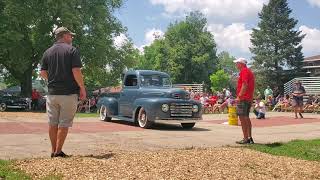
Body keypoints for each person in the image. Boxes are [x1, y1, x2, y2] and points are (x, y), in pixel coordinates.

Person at [40, 27, 86, 158]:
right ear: (64, 36)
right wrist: (82, 87)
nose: (71, 38)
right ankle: (58, 152)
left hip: (52, 94)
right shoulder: (72, 50)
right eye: (70, 36)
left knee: (52, 123)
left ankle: (53, 150)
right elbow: (76, 71)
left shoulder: (47, 52)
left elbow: (43, 73)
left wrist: (54, 78)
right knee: (64, 123)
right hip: (68, 93)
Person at [234, 57, 255, 144]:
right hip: (248, 98)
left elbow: (244, 84)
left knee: (242, 118)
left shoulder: (244, 71)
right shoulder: (248, 71)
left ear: (241, 64)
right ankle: (249, 138)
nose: (236, 64)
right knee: (246, 117)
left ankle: (246, 138)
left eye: (237, 63)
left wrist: (239, 96)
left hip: (243, 98)